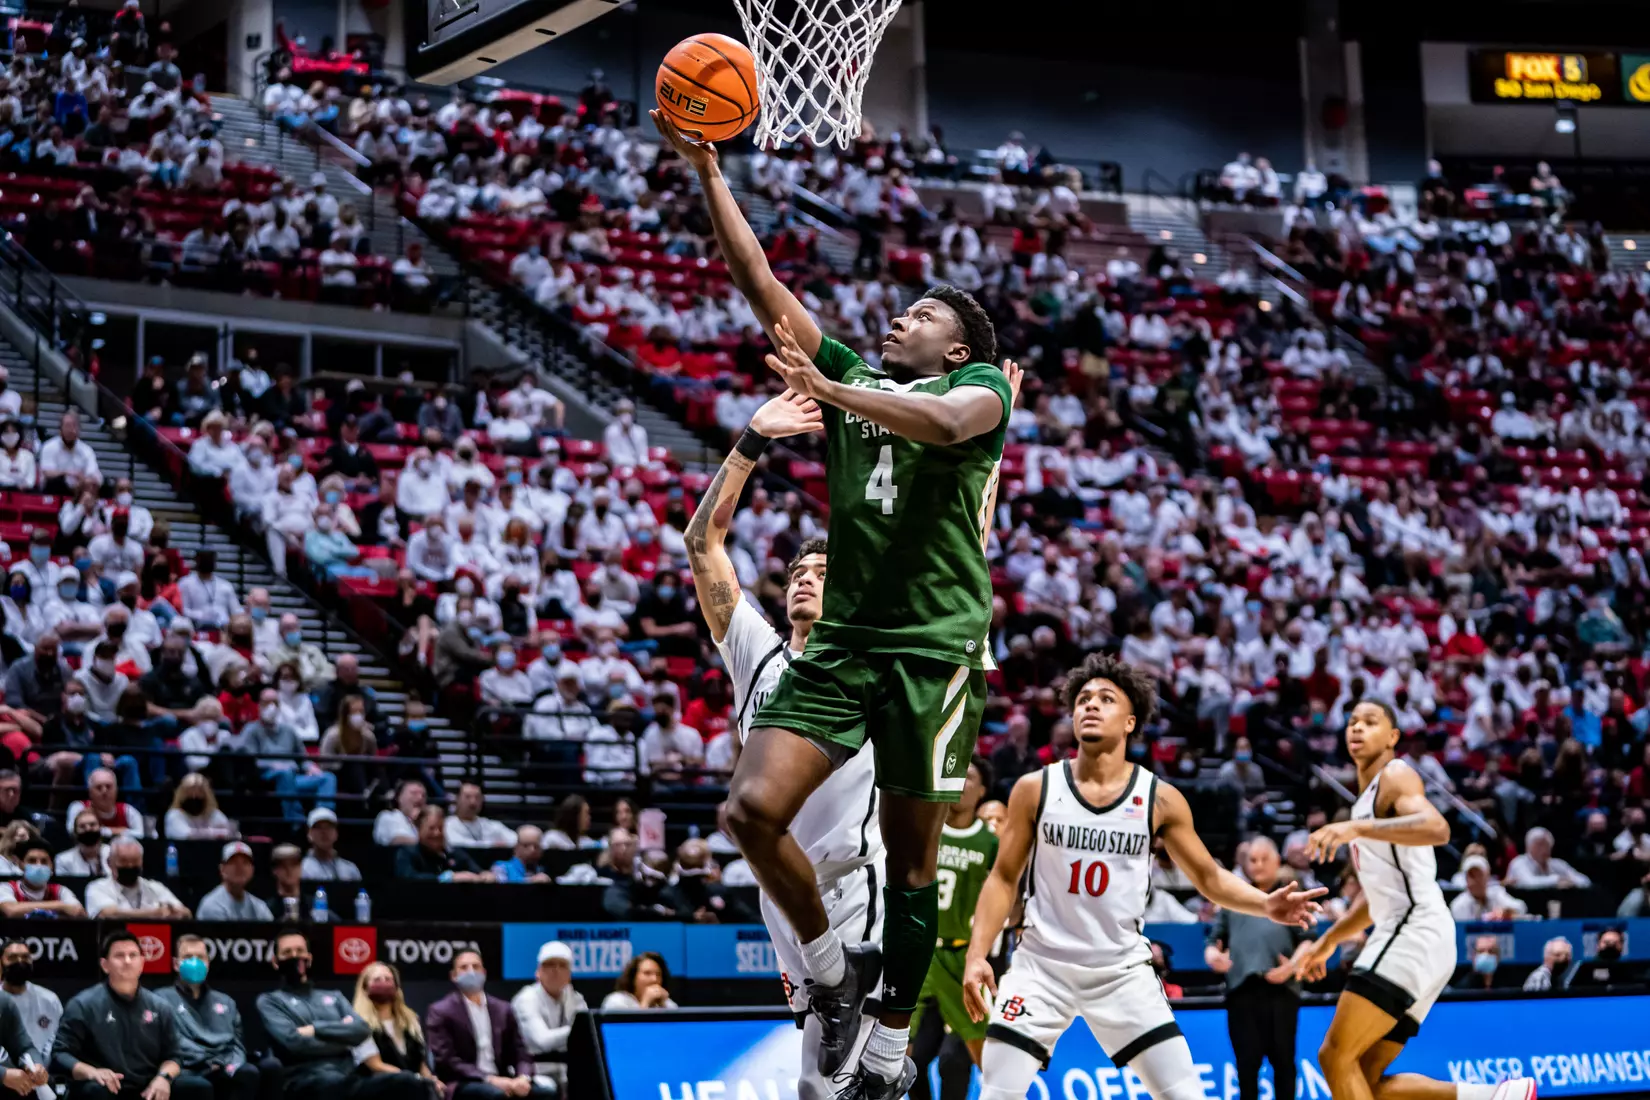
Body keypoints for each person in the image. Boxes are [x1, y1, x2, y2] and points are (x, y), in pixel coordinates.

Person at [659, 107, 1017, 1093]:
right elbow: (760, 283)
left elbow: (945, 423)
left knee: (914, 864)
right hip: (850, 642)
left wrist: (832, 390)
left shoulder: (979, 387)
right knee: (747, 806)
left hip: (935, 648)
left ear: (955, 349)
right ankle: (827, 982)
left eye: (924, 314)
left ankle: (895, 1042)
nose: (902, 316)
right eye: (905, 309)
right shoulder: (853, 375)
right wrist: (710, 173)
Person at [962, 654, 1324, 1100]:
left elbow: (1209, 877)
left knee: (1185, 1095)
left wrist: (1265, 903)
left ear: (1130, 721)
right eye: (1082, 699)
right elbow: (1002, 878)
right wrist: (978, 952)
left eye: (1105, 699)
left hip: (1121, 971)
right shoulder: (1035, 788)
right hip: (1041, 966)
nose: (1090, 705)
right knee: (997, 1092)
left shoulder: (1160, 799)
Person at [684, 397, 892, 1097]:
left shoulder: (872, 660)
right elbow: (701, 544)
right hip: (781, 893)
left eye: (825, 573)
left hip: (852, 886)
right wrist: (752, 439)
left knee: (826, 1081)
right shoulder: (758, 655)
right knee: (842, 1079)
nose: (806, 575)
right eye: (801, 571)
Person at [1294, 701, 1532, 1100]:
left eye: (1370, 722)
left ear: (1392, 737)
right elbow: (1376, 899)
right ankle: (1491, 1096)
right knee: (1365, 1080)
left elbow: (1437, 827)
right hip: (1424, 936)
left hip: (1414, 928)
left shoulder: (1396, 774)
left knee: (1335, 1056)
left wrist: (1354, 827)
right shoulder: (1365, 804)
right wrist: (1327, 942)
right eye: (1352, 722)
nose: (1357, 728)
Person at [908, 758, 997, 1100]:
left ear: (983, 790)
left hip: (962, 956)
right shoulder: (926, 828)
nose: (961, 783)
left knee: (968, 1058)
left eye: (970, 777)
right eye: (957, 776)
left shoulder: (990, 843)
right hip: (920, 953)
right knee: (903, 1055)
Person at [258, 929, 426, 1100]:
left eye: (300, 951)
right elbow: (293, 1043)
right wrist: (343, 1040)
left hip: (348, 1078)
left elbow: (361, 1030)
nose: (295, 956)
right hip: (306, 1080)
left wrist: (315, 1029)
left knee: (408, 1082)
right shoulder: (270, 1001)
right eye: (287, 952)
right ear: (275, 961)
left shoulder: (334, 997)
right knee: (332, 1085)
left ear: (309, 958)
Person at [1205, 837, 1313, 1100]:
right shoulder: (1234, 900)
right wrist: (1213, 956)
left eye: (1265, 859)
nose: (1258, 865)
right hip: (1242, 990)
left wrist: (1293, 967)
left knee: (1284, 1062)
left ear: (1278, 861)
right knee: (1246, 1064)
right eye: (1253, 859)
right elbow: (1212, 941)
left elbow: (1309, 940)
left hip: (1282, 991)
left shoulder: (1291, 897)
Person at [52, 930, 207, 1100]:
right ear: (105, 965)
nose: (127, 961)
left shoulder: (160, 1006)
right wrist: (92, 1072)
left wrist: (163, 1078)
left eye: (133, 955)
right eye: (119, 956)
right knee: (94, 1091)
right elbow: (60, 1054)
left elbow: (174, 1056)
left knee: (198, 1087)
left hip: (148, 1086)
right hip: (107, 1085)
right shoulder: (83, 1004)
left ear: (142, 962)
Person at [426, 949, 551, 1100]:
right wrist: (491, 1080)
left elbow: (521, 1051)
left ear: (484, 972)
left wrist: (523, 1077)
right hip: (465, 1081)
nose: (471, 971)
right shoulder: (441, 1011)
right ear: (454, 976)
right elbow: (447, 1060)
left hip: (505, 1077)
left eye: (476, 966)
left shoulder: (503, 1009)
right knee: (495, 1095)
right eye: (464, 967)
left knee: (545, 1093)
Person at [156, 935, 260, 1100]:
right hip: (186, 1070)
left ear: (208, 963)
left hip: (223, 1068)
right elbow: (169, 1046)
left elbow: (238, 1046)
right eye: (188, 957)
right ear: (176, 964)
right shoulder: (160, 999)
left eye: (201, 957)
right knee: (199, 1087)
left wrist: (230, 1067)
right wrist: (206, 1063)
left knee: (248, 1073)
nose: (195, 962)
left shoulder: (226, 1002)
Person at [510, 942, 586, 1092]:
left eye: (562, 965)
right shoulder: (526, 999)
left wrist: (579, 1031)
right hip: (532, 1072)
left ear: (570, 974)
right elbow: (542, 1041)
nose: (556, 971)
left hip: (566, 1071)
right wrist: (576, 1030)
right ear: (538, 971)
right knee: (548, 1088)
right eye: (549, 965)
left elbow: (587, 1038)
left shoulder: (575, 999)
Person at [353, 962, 440, 1090]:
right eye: (377, 979)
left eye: (388, 979)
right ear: (365, 988)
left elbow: (420, 1063)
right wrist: (413, 1079)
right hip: (376, 1087)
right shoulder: (359, 1023)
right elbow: (375, 1065)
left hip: (412, 1086)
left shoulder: (411, 1020)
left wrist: (432, 1080)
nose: (384, 983)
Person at [85, 836, 192, 919]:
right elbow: (108, 914)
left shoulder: (155, 887)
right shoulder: (97, 887)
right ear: (109, 863)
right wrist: (156, 913)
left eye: (135, 861)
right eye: (124, 861)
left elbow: (186, 913)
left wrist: (173, 910)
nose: (130, 866)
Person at [395, 806, 492, 882]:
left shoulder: (452, 853)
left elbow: (476, 870)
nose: (437, 833)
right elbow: (408, 877)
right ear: (419, 828)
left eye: (440, 828)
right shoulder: (407, 852)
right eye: (431, 828)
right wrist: (445, 878)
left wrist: (485, 875)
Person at [1, 938, 63, 1055]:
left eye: (25, 957)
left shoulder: (49, 1000)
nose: (20, 962)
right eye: (12, 958)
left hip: (42, 1068)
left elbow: (59, 1041)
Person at [0, 838, 86, 917]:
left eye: (44, 861)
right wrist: (60, 905)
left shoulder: (60, 890)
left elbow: (79, 912)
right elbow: (11, 910)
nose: (39, 865)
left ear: (52, 866)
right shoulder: (7, 888)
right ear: (21, 864)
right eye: (32, 861)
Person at [196, 842, 275, 922]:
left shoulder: (258, 905)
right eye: (233, 862)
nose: (240, 868)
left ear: (252, 870)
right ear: (222, 869)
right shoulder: (212, 905)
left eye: (245, 862)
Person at [1504, 826, 1592, 888]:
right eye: (1539, 845)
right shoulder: (1519, 862)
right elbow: (1529, 883)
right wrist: (1557, 880)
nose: (1544, 849)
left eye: (1547, 845)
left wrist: (1571, 882)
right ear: (1528, 847)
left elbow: (1585, 881)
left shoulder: (1557, 864)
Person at [1449, 854, 1528, 921]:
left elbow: (1521, 908)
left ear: (1487, 876)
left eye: (1479, 875)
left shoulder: (1496, 893)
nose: (1476, 880)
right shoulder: (1458, 905)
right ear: (1466, 879)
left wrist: (1506, 912)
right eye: (1472, 876)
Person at [445, 781, 518, 848]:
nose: (473, 802)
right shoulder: (448, 824)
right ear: (457, 799)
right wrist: (492, 845)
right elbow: (457, 843)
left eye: (477, 797)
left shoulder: (488, 824)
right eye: (467, 797)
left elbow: (515, 840)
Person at [301, 808, 362, 881]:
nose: (324, 832)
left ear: (336, 833)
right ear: (309, 833)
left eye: (329, 827)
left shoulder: (350, 870)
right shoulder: (301, 870)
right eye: (318, 827)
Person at [600, 953, 676, 1010]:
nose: (654, 979)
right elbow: (629, 1030)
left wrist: (663, 1007)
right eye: (647, 973)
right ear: (633, 977)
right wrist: (646, 1003)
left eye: (658, 974)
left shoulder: (668, 1004)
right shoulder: (616, 1001)